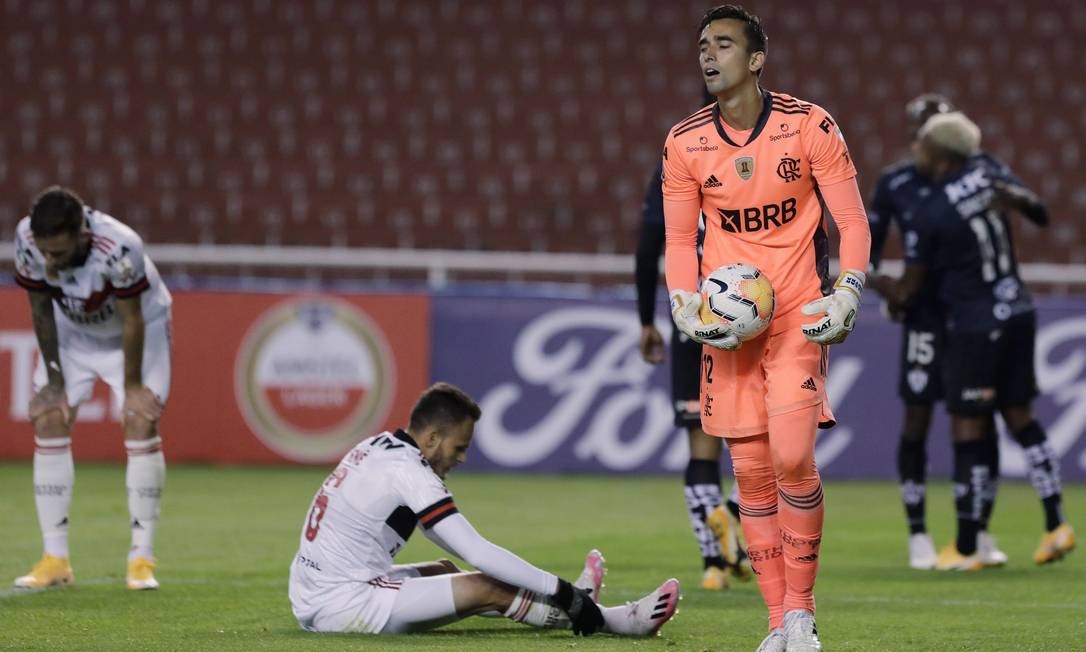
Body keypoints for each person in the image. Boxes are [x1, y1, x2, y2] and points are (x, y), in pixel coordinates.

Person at [661, 5, 871, 651]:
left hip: (799, 316)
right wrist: (681, 299)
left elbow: (853, 224)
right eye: (702, 45)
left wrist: (851, 290)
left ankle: (803, 614)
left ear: (756, 60)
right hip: (731, 330)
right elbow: (676, 238)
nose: (707, 55)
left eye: (723, 44)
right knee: (750, 475)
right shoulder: (683, 142)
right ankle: (777, 624)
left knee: (791, 457)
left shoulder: (811, 126)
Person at [288, 382, 681, 637]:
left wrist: (555, 592)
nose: (462, 458)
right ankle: (616, 620)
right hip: (342, 603)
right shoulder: (409, 471)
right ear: (432, 437)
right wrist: (558, 590)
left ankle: (577, 600)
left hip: (315, 590)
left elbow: (447, 543)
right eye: (458, 447)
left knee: (445, 571)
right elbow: (476, 552)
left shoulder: (377, 447)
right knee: (486, 587)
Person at [873, 112, 1075, 571]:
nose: (915, 150)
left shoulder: (932, 210)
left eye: (923, 144)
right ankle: (1055, 523)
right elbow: (1039, 211)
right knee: (1019, 415)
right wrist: (1017, 199)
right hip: (1018, 310)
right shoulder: (989, 172)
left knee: (968, 425)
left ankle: (964, 547)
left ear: (941, 155)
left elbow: (908, 289)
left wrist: (871, 280)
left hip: (973, 323)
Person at [867, 94, 1006, 570]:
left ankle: (977, 528)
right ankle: (918, 533)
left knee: (980, 421)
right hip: (924, 316)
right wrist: (880, 284)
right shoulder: (895, 183)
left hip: (972, 316)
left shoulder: (980, 180)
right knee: (918, 420)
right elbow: (867, 241)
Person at [12, 186, 172, 591]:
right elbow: (39, 308)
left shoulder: (119, 247)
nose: (49, 262)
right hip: (72, 335)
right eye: (45, 253)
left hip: (136, 333)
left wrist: (132, 385)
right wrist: (53, 379)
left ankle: (141, 559)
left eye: (59, 254)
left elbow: (132, 318)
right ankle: (55, 560)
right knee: (49, 417)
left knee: (139, 420)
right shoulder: (28, 239)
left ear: (82, 235)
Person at [635, 149, 751, 591]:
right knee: (771, 433)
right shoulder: (766, 152)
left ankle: (714, 565)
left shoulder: (674, 162)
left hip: (695, 314)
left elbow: (649, 246)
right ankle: (733, 514)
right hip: (751, 309)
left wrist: (646, 319)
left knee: (702, 447)